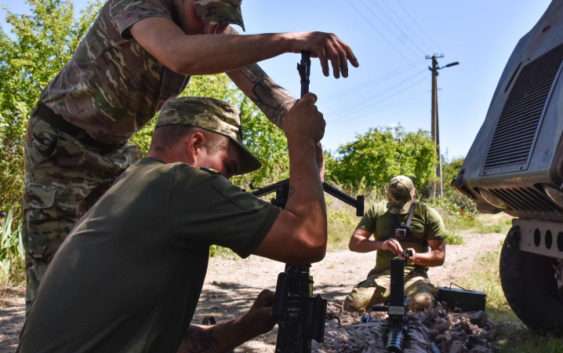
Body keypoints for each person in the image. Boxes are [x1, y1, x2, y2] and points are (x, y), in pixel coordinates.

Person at [23, 0, 359, 311]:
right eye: (206, 14)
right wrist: (292, 40)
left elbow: (261, 87)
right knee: (55, 283)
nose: (212, 28)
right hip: (61, 146)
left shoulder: (209, 27)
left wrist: (302, 130)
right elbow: (180, 54)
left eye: (222, 21)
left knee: (122, 266)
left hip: (116, 151)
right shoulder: (140, 7)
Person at [17, 94, 326, 353]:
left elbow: (177, 344)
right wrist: (301, 140)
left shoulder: (131, 186)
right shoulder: (179, 183)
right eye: (227, 167)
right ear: (195, 144)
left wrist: (247, 325)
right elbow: (307, 240)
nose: (228, 182)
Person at [343, 176, 447, 313]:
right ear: (388, 195)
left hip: (414, 275)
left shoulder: (427, 214)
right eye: (395, 201)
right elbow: (355, 243)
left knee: (422, 303)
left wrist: (414, 257)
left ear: (413, 193)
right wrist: (382, 245)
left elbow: (439, 256)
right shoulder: (377, 211)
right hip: (382, 276)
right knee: (353, 304)